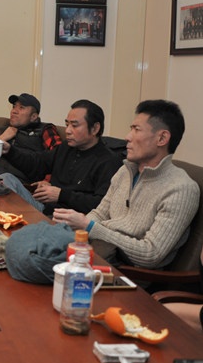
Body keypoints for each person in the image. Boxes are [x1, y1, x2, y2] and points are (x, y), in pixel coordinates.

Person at [53, 100, 199, 269]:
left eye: (136, 129)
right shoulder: (125, 171)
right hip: (97, 252)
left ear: (162, 138)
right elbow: (100, 214)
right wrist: (77, 226)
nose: (127, 137)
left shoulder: (181, 188)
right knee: (37, 240)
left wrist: (90, 227)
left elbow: (150, 254)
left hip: (125, 272)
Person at [0, 99, 121, 217]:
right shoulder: (66, 147)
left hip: (69, 219)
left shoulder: (109, 161)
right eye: (67, 124)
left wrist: (61, 195)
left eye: (74, 125)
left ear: (95, 128)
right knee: (5, 178)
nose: (67, 131)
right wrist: (10, 151)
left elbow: (102, 204)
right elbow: (37, 164)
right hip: (45, 208)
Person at [0, 93, 62, 182]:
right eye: (14, 106)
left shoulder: (44, 130)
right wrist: (1, 139)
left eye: (21, 108)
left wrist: (47, 181)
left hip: (19, 181)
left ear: (33, 117)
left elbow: (59, 156)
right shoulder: (5, 129)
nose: (14, 111)